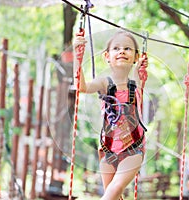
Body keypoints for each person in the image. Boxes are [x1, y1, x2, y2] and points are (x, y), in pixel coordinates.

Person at [73, 30, 147, 200]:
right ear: (107, 56)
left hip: (133, 148)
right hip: (108, 151)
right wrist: (78, 59)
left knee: (113, 191)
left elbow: (141, 74)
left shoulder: (137, 81)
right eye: (116, 48)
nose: (122, 51)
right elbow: (81, 87)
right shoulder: (104, 82)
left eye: (128, 48)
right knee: (113, 196)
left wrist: (142, 67)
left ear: (136, 57)